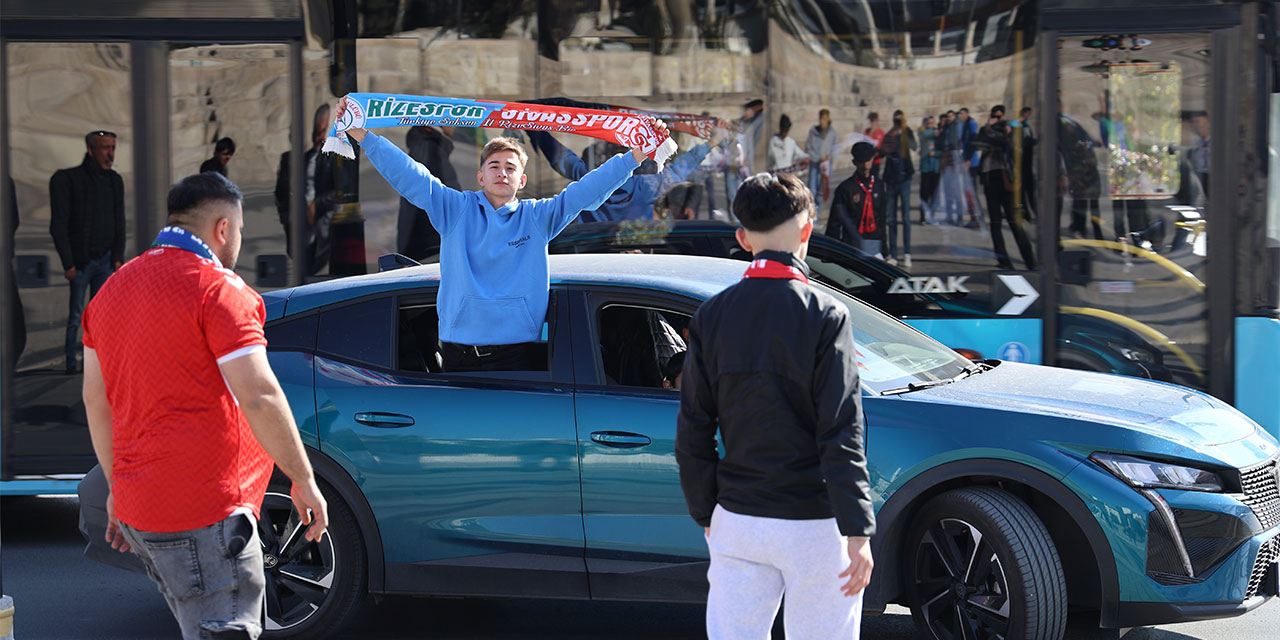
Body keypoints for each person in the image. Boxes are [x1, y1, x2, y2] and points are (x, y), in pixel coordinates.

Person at [81, 172, 329, 640]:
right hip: (207, 514)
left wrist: (117, 488)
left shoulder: (110, 291)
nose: (237, 241)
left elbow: (96, 401)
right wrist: (303, 478)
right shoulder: (220, 289)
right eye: (238, 231)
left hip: (140, 510)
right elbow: (259, 394)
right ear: (222, 229)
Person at [675, 171, 874, 640]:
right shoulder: (825, 314)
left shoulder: (712, 315)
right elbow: (842, 431)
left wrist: (707, 514)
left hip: (737, 517)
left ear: (743, 238)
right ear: (807, 232)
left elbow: (694, 430)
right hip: (814, 523)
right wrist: (859, 531)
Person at [339, 98, 663, 372]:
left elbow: (585, 193)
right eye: (494, 165)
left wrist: (633, 157)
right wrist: (364, 136)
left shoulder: (537, 216)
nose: (502, 172)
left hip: (517, 353)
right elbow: (412, 177)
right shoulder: (455, 209)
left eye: (511, 167)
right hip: (457, 353)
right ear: (480, 176)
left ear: (521, 181)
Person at [50, 130, 125, 373]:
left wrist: (117, 256)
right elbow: (59, 224)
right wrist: (69, 262)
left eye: (112, 148)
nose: (110, 154)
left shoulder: (114, 181)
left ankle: (96, 363)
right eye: (105, 148)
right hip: (82, 261)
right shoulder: (69, 180)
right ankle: (72, 363)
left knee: (100, 317)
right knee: (76, 316)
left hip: (104, 259)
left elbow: (118, 220)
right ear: (91, 150)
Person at [525, 129, 714, 222]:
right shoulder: (646, 187)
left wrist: (534, 128)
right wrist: (711, 144)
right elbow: (680, 168)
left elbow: (562, 158)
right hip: (632, 253)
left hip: (589, 251)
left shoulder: (590, 182)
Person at [274, 104, 338, 274]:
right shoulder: (297, 159)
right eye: (317, 132)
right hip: (297, 224)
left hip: (321, 224)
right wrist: (287, 217)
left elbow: (340, 192)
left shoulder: (332, 159)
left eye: (323, 131)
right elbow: (281, 191)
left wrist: (316, 205)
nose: (319, 136)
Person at [974, 105, 1036, 269]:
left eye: (1001, 117)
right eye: (995, 116)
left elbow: (1010, 145)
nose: (998, 120)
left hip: (1006, 178)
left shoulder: (1010, 131)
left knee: (1015, 222)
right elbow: (978, 145)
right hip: (990, 178)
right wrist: (988, 127)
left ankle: (1030, 260)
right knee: (995, 223)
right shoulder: (985, 130)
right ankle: (1003, 260)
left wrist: (1003, 132)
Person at [397, 125, 460, 259]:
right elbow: (429, 197)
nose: (458, 124)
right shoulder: (428, 145)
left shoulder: (430, 143)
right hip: (431, 245)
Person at [826, 142, 886, 258]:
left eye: (868, 161)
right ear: (855, 162)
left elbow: (882, 219)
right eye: (861, 162)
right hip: (852, 245)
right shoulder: (845, 188)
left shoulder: (879, 185)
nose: (865, 165)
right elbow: (834, 224)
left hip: (874, 243)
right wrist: (832, 253)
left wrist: (885, 249)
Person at [880, 110, 916, 267]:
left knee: (906, 217)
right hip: (891, 179)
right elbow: (882, 152)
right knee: (892, 219)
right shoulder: (890, 134)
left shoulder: (906, 132)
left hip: (904, 178)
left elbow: (914, 146)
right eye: (896, 120)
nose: (897, 122)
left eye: (900, 120)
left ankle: (907, 253)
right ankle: (893, 254)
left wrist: (906, 131)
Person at [805, 108, 837, 214]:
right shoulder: (813, 131)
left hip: (825, 166)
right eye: (821, 119)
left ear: (828, 119)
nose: (822, 121)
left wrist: (828, 157)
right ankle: (810, 215)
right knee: (811, 190)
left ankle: (817, 216)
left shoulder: (832, 133)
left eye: (824, 119)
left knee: (821, 192)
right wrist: (817, 158)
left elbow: (835, 148)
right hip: (814, 164)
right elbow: (808, 147)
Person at [1013, 106, 1037, 219]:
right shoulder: (1016, 124)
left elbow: (1029, 140)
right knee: (1021, 189)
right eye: (1028, 114)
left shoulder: (1027, 125)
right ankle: (1024, 212)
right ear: (1024, 113)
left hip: (1028, 161)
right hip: (1020, 162)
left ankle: (1033, 211)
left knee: (1030, 188)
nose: (1029, 116)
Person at [917, 115, 940, 225]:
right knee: (924, 194)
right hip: (925, 168)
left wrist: (935, 153)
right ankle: (923, 217)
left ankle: (932, 216)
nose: (931, 125)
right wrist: (934, 132)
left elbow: (942, 150)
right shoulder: (923, 133)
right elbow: (923, 135)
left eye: (932, 123)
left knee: (934, 194)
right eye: (928, 123)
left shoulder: (938, 136)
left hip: (935, 168)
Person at [863, 112, 885, 178]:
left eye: (873, 120)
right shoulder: (867, 131)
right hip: (866, 161)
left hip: (875, 162)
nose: (872, 122)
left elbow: (881, 148)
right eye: (871, 120)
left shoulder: (880, 133)